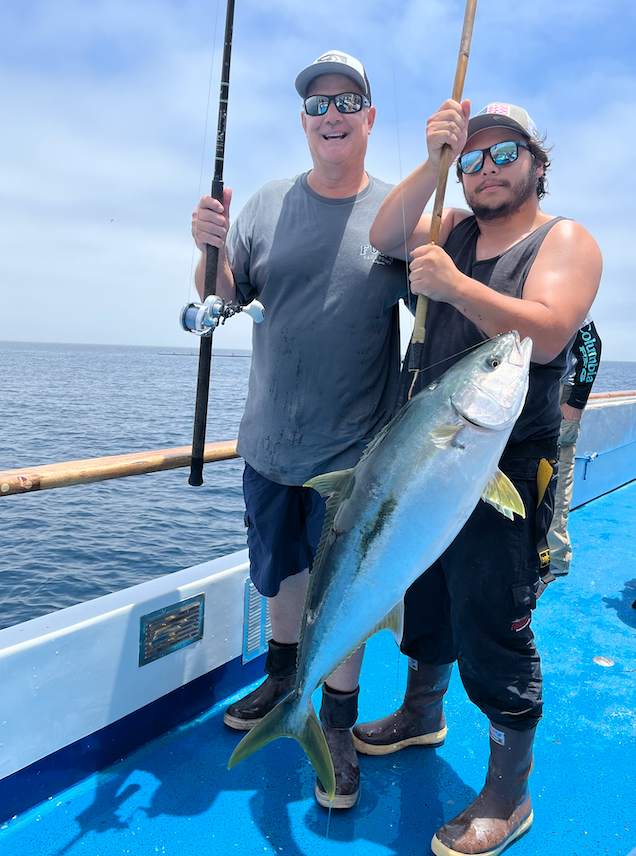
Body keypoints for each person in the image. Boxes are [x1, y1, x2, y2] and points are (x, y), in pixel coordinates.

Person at [352, 101, 602, 855]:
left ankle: (507, 792)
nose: (484, 170)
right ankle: (421, 710)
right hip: (426, 451)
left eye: (502, 154)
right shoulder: (451, 224)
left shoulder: (564, 240)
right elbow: (382, 234)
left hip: (507, 463)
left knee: (493, 621)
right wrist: (434, 158)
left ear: (536, 161)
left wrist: (456, 287)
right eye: (472, 159)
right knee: (424, 591)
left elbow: (551, 328)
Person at [190, 51, 408, 809]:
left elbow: (437, 312)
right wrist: (206, 248)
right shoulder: (263, 205)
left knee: (343, 595)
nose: (332, 115)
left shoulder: (396, 217)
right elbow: (221, 294)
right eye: (318, 105)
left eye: (348, 100)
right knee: (280, 577)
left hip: (356, 460)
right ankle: (285, 685)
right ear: (304, 122)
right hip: (269, 445)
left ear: (370, 118)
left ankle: (338, 729)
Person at [548, 317, 602, 575]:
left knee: (558, 478)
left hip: (561, 394)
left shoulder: (558, 281)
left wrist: (577, 402)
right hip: (526, 390)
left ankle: (556, 561)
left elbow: (592, 344)